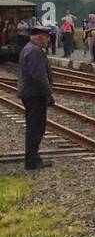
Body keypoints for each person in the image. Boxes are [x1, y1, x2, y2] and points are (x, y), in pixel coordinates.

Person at [18, 24, 56, 170]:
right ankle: (32, 160)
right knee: (36, 127)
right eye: (47, 38)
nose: (48, 41)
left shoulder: (29, 49)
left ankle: (33, 157)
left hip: (30, 93)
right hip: (35, 94)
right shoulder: (34, 52)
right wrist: (49, 94)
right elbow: (39, 77)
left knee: (34, 126)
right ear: (40, 38)